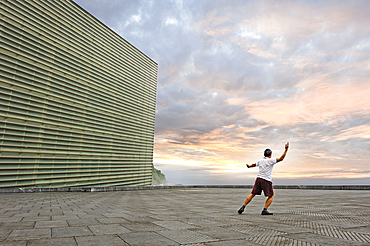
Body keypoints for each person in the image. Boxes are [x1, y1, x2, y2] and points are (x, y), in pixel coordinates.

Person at [238, 142, 289, 215]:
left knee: (252, 194)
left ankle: (243, 207)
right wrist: (286, 150)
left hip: (258, 179)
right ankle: (265, 210)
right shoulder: (270, 160)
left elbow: (254, 164)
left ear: (264, 154)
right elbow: (281, 158)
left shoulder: (260, 161)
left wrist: (249, 166)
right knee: (271, 196)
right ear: (270, 155)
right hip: (266, 180)